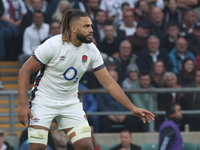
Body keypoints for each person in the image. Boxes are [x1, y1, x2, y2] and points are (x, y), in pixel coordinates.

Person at [17, 9, 155, 150]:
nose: (91, 30)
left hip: (69, 102)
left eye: (91, 26)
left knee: (86, 146)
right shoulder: (53, 45)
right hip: (43, 100)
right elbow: (24, 71)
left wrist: (132, 107)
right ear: (74, 29)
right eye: (86, 26)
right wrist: (22, 104)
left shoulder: (91, 50)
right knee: (37, 147)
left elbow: (108, 83)